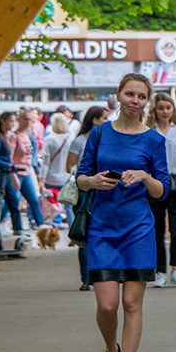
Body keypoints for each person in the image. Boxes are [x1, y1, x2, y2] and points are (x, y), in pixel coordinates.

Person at [74, 73, 168, 352]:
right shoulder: (99, 134)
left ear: (147, 101)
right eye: (129, 94)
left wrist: (144, 175)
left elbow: (161, 190)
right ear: (118, 96)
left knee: (131, 302)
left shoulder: (154, 140)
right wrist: (93, 181)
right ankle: (111, 350)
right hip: (102, 225)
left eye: (141, 96)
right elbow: (80, 178)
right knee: (107, 304)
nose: (134, 101)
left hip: (138, 228)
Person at [147, 92, 176, 288]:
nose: (165, 112)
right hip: (155, 180)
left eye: (168, 108)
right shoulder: (149, 131)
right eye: (161, 108)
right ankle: (159, 271)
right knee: (156, 227)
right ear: (155, 111)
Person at [68, 105, 107, 290]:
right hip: (84, 190)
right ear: (95, 120)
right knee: (84, 232)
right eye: (104, 118)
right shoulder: (79, 141)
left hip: (105, 189)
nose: (107, 122)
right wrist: (87, 177)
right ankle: (86, 278)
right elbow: (70, 167)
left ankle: (100, 274)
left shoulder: (107, 138)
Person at [40, 112, 75, 225]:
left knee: (51, 204)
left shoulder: (50, 139)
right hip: (67, 178)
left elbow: (45, 162)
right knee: (69, 206)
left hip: (51, 179)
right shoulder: (71, 139)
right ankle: (72, 231)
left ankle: (51, 230)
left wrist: (42, 179)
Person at [12, 109, 44, 229]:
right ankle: (6, 225)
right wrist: (13, 174)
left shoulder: (30, 135)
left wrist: (32, 164)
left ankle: (42, 228)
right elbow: (10, 156)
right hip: (16, 171)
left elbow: (33, 152)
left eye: (30, 119)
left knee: (34, 200)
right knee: (13, 201)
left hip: (27, 170)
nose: (28, 122)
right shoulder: (14, 136)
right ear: (19, 120)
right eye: (25, 119)